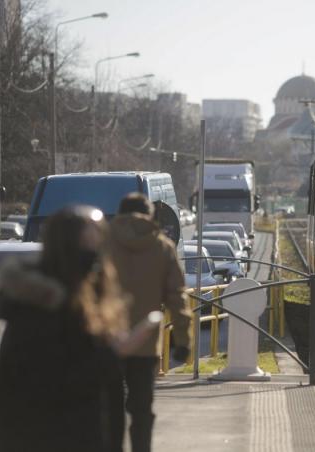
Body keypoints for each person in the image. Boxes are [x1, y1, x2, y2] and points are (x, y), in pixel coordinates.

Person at [0, 206, 127, 452]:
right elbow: (40, 385)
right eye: (89, 244)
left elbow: (109, 403)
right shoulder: (38, 307)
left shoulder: (90, 299)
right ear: (66, 247)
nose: (97, 255)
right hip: (48, 438)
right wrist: (111, 357)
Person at [108, 192, 191, 452]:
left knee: (110, 408)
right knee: (142, 409)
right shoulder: (162, 247)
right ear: (150, 215)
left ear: (119, 214)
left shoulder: (102, 243)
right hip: (145, 345)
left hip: (106, 342)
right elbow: (177, 296)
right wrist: (183, 339)